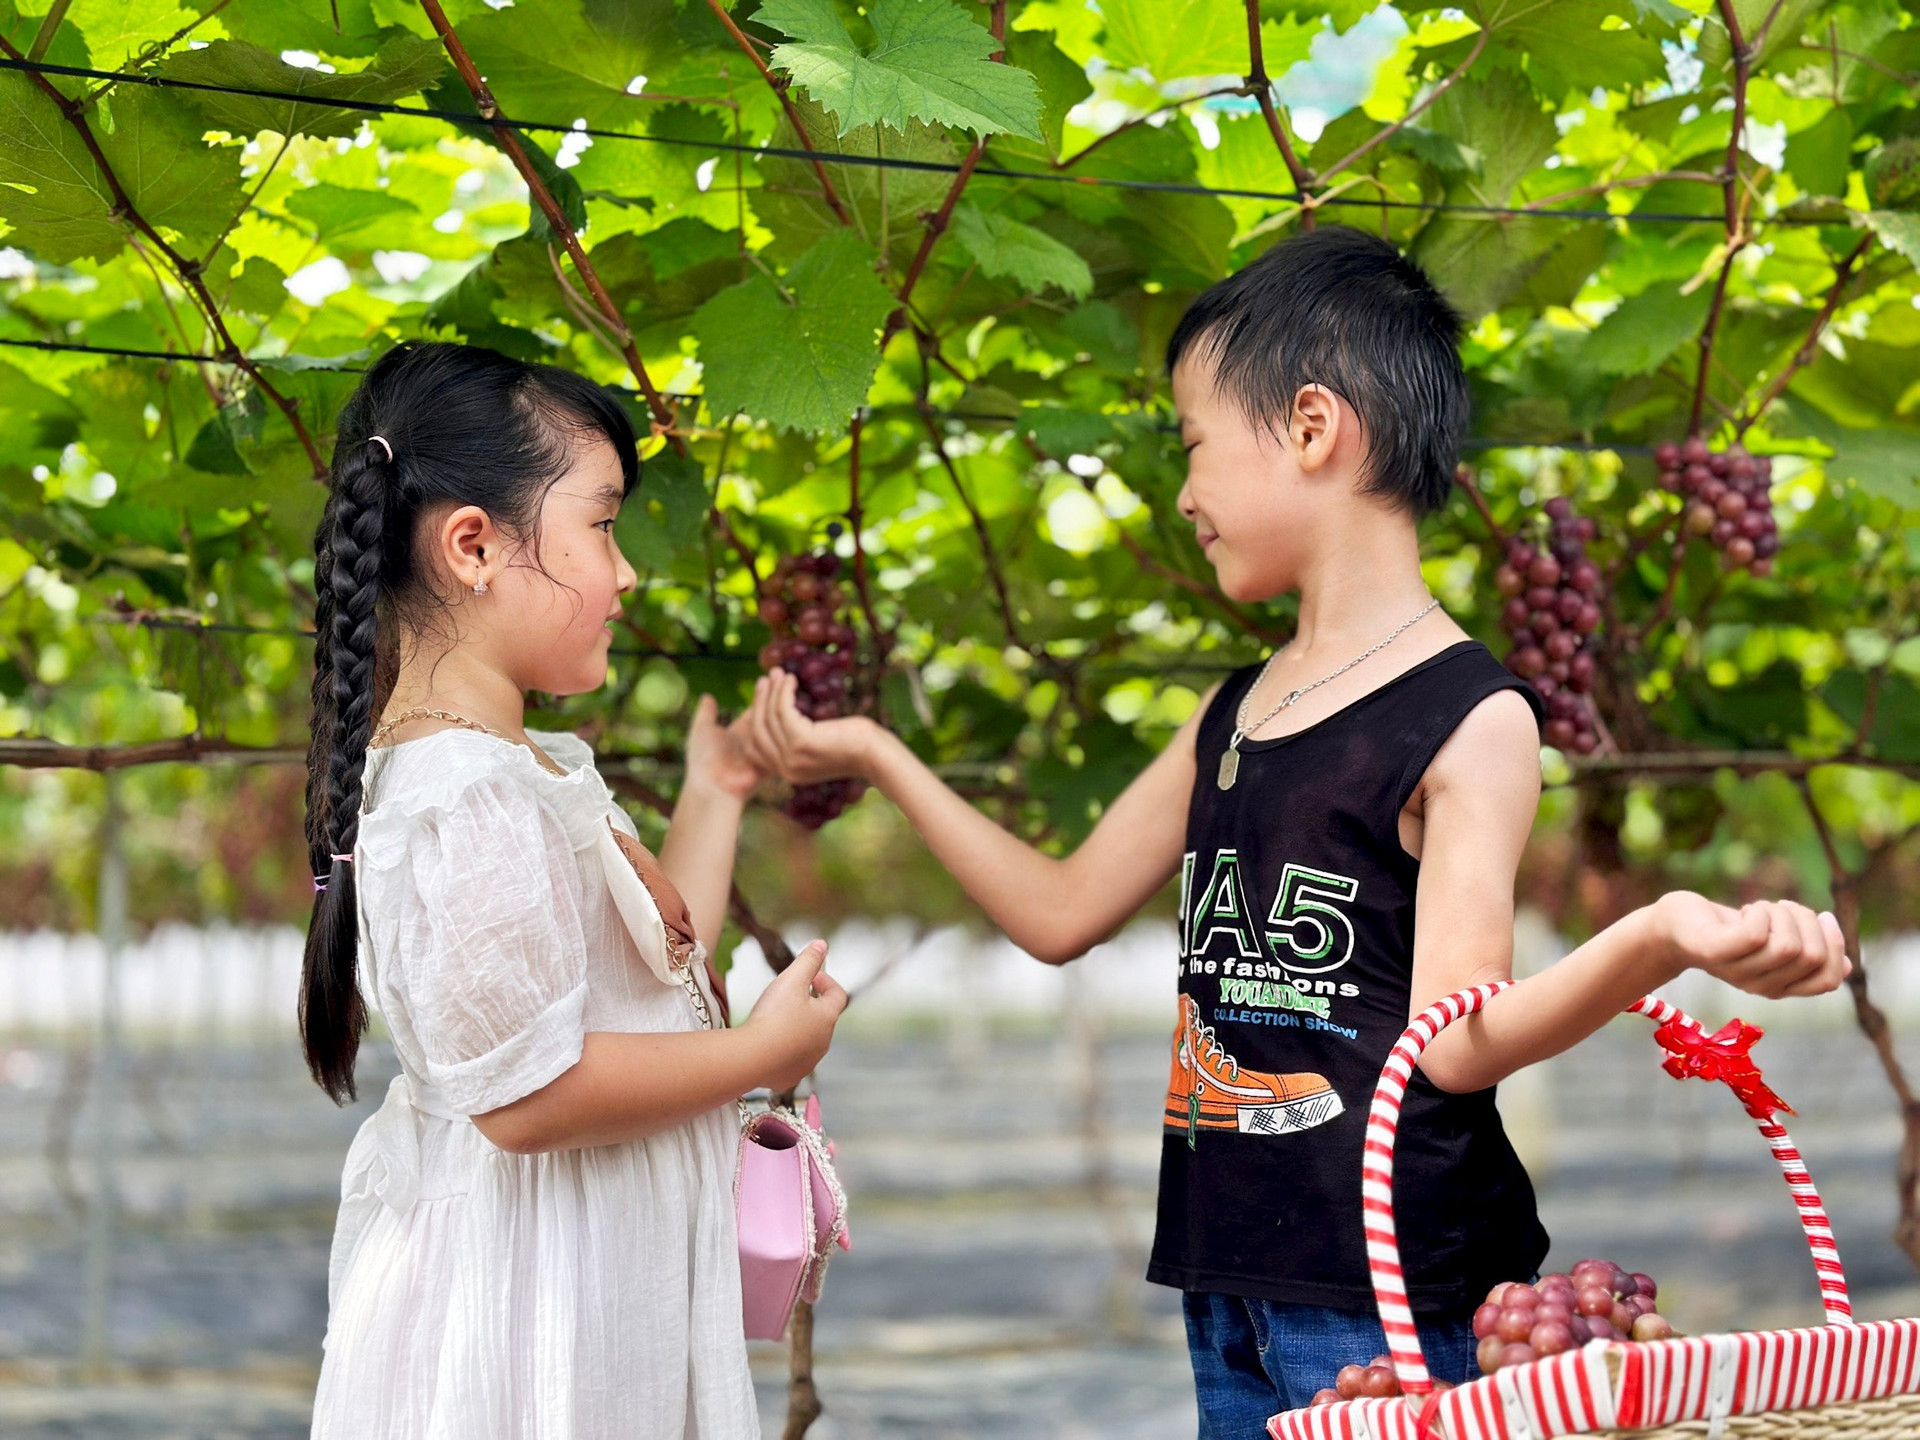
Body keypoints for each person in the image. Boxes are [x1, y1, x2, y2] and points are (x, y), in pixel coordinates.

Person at [748, 226, 1851, 1437]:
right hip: (1231, 1286)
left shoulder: (1471, 717)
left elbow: (1460, 1043)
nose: (1183, 493)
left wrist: (1660, 936)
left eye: (1195, 446)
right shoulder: (1234, 708)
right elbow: (1059, 913)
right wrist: (878, 753)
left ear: (1313, 428)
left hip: (1392, 1295)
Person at [300, 340, 844, 1439]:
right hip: (540, 1299)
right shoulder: (465, 796)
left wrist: (717, 786)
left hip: (578, 1271)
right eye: (601, 524)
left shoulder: (514, 768)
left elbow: (647, 969)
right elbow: (526, 1099)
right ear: (473, 547)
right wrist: (763, 1058)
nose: (626, 569)